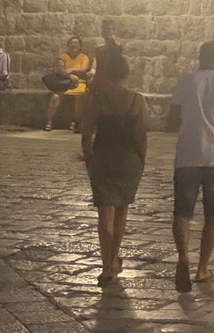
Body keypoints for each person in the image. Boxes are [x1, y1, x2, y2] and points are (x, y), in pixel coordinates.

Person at [169, 41, 214, 292]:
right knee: (213, 214)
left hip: (188, 155)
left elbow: (171, 119)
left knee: (182, 211)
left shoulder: (185, 81)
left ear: (200, 56)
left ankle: (182, 257)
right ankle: (202, 268)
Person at [80, 46, 147, 288]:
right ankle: (114, 259)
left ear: (107, 73)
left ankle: (106, 266)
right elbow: (141, 135)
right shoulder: (137, 100)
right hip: (128, 160)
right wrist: (142, 160)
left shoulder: (98, 100)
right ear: (126, 74)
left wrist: (89, 159)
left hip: (104, 159)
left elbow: (86, 132)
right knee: (121, 212)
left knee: (104, 215)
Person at [45, 35, 91, 132]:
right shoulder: (63, 57)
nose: (74, 45)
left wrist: (70, 70)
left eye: (76, 43)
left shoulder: (84, 57)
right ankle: (49, 122)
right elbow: (60, 69)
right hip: (64, 83)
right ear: (68, 45)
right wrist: (70, 76)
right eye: (71, 43)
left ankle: (75, 121)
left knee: (80, 96)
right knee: (55, 97)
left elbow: (83, 69)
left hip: (79, 83)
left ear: (80, 46)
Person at [90, 19, 120, 91]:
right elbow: (96, 63)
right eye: (104, 28)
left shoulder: (118, 48)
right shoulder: (99, 49)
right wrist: (92, 70)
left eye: (108, 29)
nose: (105, 31)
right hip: (99, 80)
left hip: (112, 81)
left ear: (113, 31)